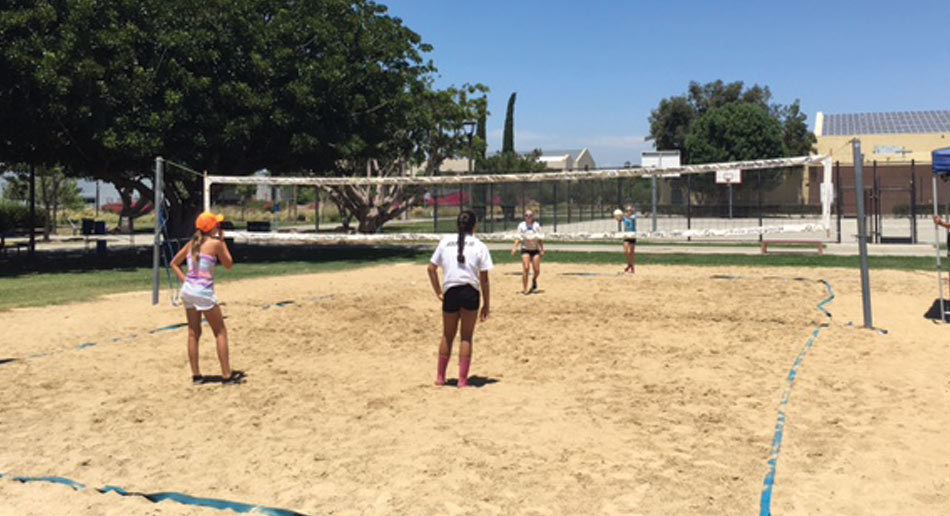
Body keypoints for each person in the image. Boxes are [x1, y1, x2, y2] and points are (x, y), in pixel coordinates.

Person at [170, 212, 244, 385]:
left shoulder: (192, 244)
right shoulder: (216, 244)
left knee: (193, 332)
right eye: (217, 225)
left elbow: (174, 263)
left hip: (188, 291)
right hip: (203, 292)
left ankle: (196, 375)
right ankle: (227, 375)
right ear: (212, 228)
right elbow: (229, 264)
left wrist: (186, 281)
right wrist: (223, 241)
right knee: (220, 331)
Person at [427, 210, 492, 388]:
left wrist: (439, 292)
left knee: (447, 336)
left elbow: (431, 268)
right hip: (470, 292)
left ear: (458, 225)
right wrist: (486, 303)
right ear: (475, 226)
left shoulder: (445, 242)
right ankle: (462, 380)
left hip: (451, 291)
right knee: (466, 337)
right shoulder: (480, 246)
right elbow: (484, 280)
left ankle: (440, 377)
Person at [511, 209, 545, 294]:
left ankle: (534, 280)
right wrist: (515, 247)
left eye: (530, 215)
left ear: (533, 216)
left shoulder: (536, 225)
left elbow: (540, 238)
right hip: (525, 249)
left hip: (535, 250)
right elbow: (518, 238)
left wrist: (542, 248)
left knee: (537, 270)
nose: (528, 217)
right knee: (526, 268)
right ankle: (525, 288)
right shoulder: (521, 225)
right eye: (526, 215)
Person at [622, 204, 637, 274]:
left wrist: (624, 215)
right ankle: (629, 264)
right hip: (626, 235)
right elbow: (619, 219)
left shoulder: (634, 216)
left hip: (632, 235)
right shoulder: (624, 217)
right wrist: (618, 215)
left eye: (630, 210)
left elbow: (630, 218)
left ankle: (632, 267)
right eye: (627, 210)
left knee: (631, 252)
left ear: (632, 211)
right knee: (626, 252)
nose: (629, 211)